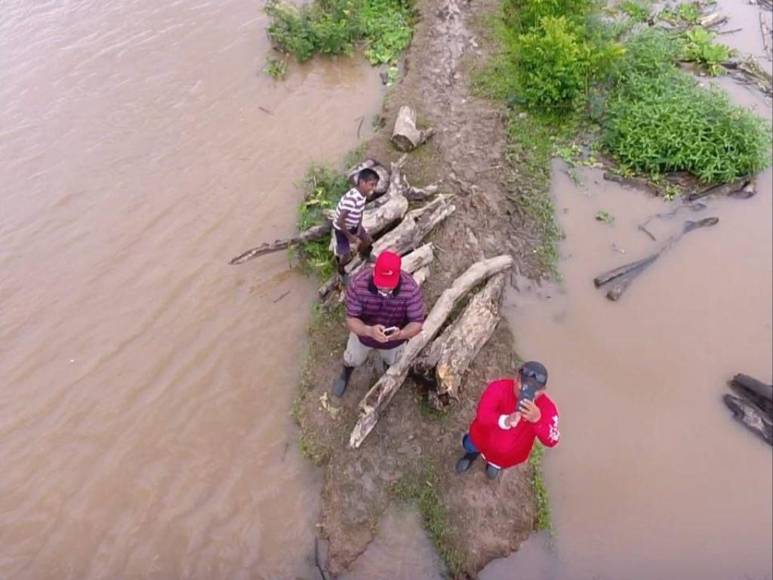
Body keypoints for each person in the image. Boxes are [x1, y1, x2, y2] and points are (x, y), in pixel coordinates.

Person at [331, 250, 426, 397]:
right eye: (381, 282)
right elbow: (351, 319)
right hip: (363, 334)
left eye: (389, 284)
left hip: (394, 340)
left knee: (393, 360)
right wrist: (369, 331)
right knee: (352, 358)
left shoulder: (411, 290)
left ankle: (387, 369)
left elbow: (417, 323)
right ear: (374, 271)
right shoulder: (358, 284)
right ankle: (346, 371)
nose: (385, 288)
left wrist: (401, 334)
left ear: (398, 275)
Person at [455, 361, 560, 480]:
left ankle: (494, 465)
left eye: (535, 388)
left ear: (543, 390)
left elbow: (553, 440)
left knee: (497, 463)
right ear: (516, 378)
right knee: (470, 446)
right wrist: (505, 420)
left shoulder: (547, 408)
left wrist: (537, 420)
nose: (527, 391)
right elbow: (482, 415)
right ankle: (470, 456)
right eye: (524, 383)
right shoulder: (498, 388)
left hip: (509, 454)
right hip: (481, 438)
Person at [332, 168, 379, 281]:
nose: (373, 188)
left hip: (354, 224)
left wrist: (358, 228)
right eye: (371, 184)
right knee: (346, 255)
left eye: (375, 185)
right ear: (362, 182)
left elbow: (360, 211)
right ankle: (341, 270)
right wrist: (351, 237)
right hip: (341, 229)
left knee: (368, 240)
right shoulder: (351, 200)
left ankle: (364, 255)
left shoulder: (362, 195)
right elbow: (339, 221)